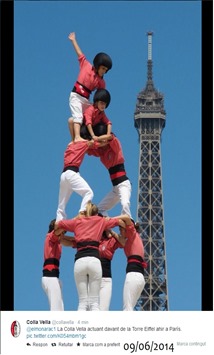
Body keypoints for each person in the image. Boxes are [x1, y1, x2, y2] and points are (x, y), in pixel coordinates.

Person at [54, 201, 126, 311]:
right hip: (94, 262)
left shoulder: (79, 222)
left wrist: (77, 218)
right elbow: (120, 222)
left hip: (80, 262)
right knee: (95, 305)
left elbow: (58, 225)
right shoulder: (100, 221)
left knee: (83, 304)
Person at [68, 32, 112, 142]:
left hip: (86, 99)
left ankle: (87, 134)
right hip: (76, 95)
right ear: (97, 66)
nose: (104, 72)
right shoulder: (86, 66)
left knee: (90, 116)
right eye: (103, 69)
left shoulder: (101, 82)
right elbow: (79, 53)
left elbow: (100, 95)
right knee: (78, 115)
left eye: (106, 70)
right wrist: (73, 40)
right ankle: (76, 137)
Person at [56, 139, 108, 221]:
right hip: (72, 173)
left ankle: (59, 221)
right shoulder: (83, 143)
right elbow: (101, 143)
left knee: (61, 203)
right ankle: (82, 212)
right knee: (88, 192)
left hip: (64, 175)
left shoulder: (69, 145)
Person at [87, 133, 132, 217]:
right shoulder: (101, 152)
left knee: (125, 204)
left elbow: (111, 137)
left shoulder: (115, 147)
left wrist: (96, 138)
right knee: (99, 210)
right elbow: (87, 149)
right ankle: (108, 226)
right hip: (115, 189)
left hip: (123, 184)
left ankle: (131, 225)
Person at [41, 219, 75, 311]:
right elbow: (59, 233)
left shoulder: (58, 241)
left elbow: (73, 240)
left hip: (54, 277)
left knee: (60, 308)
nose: (63, 234)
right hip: (50, 276)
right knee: (56, 308)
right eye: (62, 232)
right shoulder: (50, 237)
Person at [118, 215, 147, 311]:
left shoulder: (132, 233)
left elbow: (126, 217)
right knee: (129, 308)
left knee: (127, 309)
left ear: (126, 228)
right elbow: (120, 240)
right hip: (140, 277)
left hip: (133, 275)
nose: (120, 232)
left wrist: (111, 220)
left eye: (121, 229)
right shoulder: (132, 239)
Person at [99, 228, 126, 311]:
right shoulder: (94, 239)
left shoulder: (111, 240)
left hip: (106, 277)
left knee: (104, 308)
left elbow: (123, 243)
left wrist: (111, 231)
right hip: (93, 276)